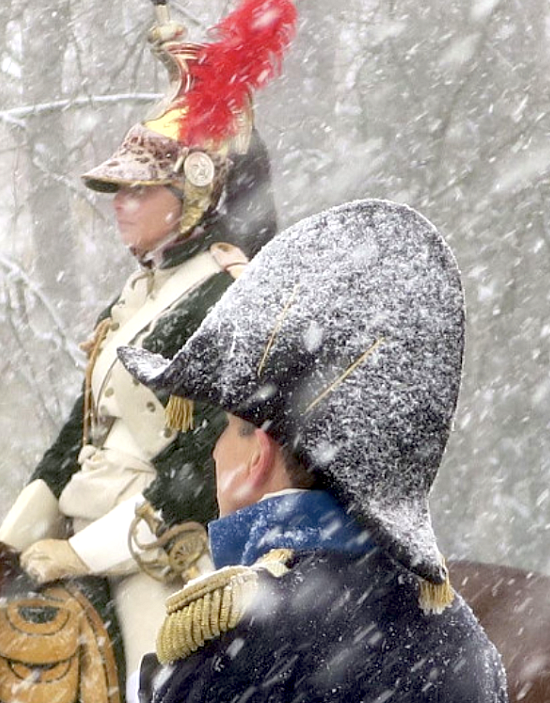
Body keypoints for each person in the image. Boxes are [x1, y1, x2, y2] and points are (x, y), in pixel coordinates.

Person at [0, 0, 295, 689]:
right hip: (79, 535)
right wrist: (6, 541)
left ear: (190, 193)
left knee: (150, 686)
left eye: (137, 189)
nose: (119, 204)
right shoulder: (133, 297)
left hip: (165, 552)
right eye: (118, 189)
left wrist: (85, 554)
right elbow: (79, 436)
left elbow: (199, 471)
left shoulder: (228, 294)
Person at [117, 199, 509, 703]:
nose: (213, 453)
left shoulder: (230, 643)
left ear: (257, 456)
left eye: (226, 430)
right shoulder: (466, 644)